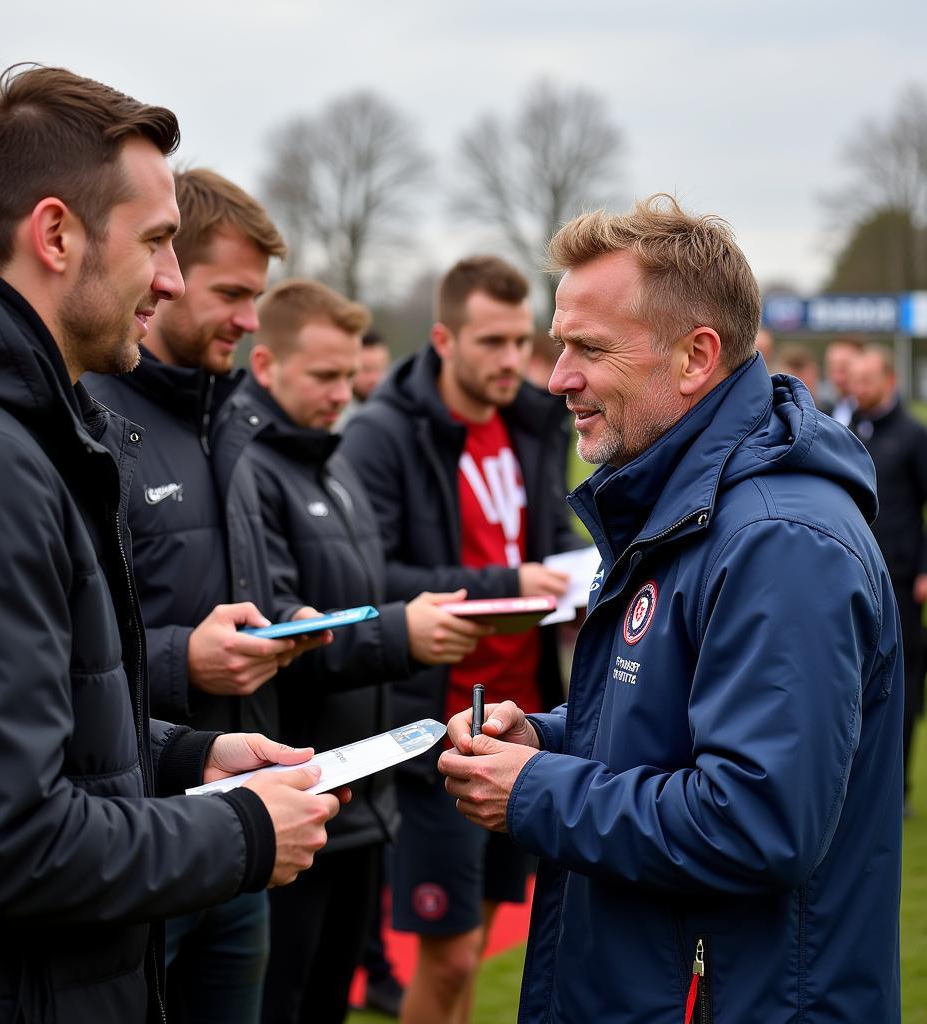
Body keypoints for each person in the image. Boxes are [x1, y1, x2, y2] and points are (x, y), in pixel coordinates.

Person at [0, 66, 341, 1024]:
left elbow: (9, 736)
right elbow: (1, 842)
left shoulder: (11, 431)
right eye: (156, 242)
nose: (173, 280)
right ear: (56, 235)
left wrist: (187, 758)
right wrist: (240, 832)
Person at [438, 195, 903, 1022]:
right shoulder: (686, 500)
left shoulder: (781, 542)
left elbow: (757, 819)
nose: (557, 378)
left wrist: (536, 790)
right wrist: (546, 737)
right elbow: (677, 721)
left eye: (589, 348)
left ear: (696, 358)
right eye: (559, 345)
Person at [84, 168, 330, 1023]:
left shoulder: (232, 420)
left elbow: (229, 587)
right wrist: (181, 658)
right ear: (169, 271)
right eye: (231, 291)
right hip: (134, 835)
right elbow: (57, 645)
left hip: (240, 812)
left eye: (257, 295)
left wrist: (284, 617)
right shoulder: (87, 417)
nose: (250, 318)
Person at [235, 278, 488, 1023]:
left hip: (363, 795)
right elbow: (277, 634)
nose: (342, 393)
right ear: (265, 367)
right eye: (322, 375)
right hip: (296, 792)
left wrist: (398, 623)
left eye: (349, 375)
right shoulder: (251, 473)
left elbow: (360, 602)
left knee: (329, 1005)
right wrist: (399, 633)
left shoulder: (338, 467)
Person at [340, 255, 577, 1024]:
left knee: (473, 947)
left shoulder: (535, 424)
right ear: (443, 338)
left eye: (520, 340)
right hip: (437, 728)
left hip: (526, 721)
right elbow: (369, 579)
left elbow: (545, 550)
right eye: (491, 342)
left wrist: (575, 591)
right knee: (443, 960)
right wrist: (511, 583)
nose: (513, 359)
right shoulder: (382, 435)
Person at [850, 344, 927, 804]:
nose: (857, 389)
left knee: (900, 681)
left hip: (901, 580)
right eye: (854, 382)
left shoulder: (914, 436)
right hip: (857, 575)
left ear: (889, 382)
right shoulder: (852, 429)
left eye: (866, 381)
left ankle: (897, 786)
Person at [824, 336, 864, 426]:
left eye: (844, 369)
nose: (837, 378)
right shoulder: (823, 411)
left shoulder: (873, 415)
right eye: (832, 368)